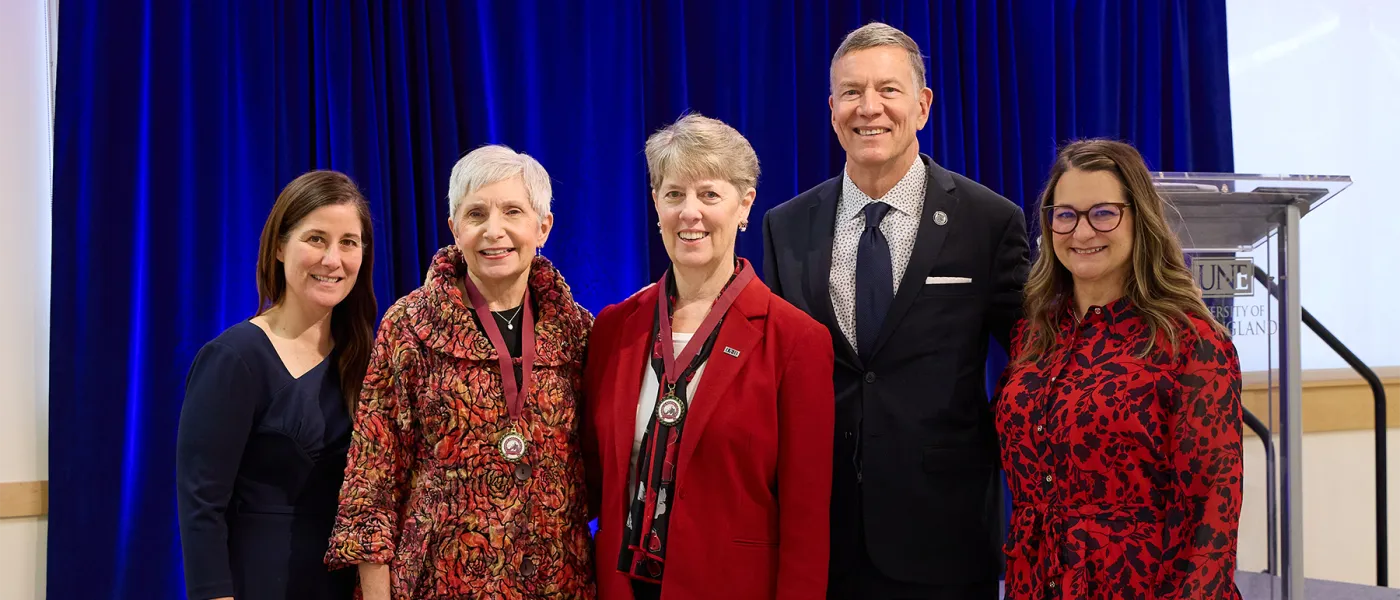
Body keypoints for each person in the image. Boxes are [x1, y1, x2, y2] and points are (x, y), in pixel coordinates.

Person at [762, 22, 1029, 599]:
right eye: (852, 92)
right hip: (820, 535)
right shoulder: (785, 227)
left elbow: (1034, 361)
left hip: (944, 535)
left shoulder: (989, 222)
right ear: (832, 110)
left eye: (888, 89)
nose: (869, 108)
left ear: (923, 105)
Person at [582, 113, 835, 600]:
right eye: (674, 194)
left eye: (709, 195)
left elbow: (806, 523)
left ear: (745, 205)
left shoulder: (796, 341)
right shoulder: (614, 328)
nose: (689, 213)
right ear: (655, 204)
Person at [324, 145, 595, 599]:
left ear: (542, 226)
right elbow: (371, 479)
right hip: (438, 580)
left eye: (513, 211)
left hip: (556, 582)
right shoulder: (410, 324)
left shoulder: (578, 332)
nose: (495, 231)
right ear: (454, 228)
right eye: (475, 214)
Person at [995, 139, 1243, 599]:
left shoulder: (1189, 343)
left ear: (1139, 220)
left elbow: (1209, 512)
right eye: (1065, 214)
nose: (1082, 232)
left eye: (1103, 213)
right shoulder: (1033, 335)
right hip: (1035, 583)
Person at [176, 170, 376, 600]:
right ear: (281, 246)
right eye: (316, 239)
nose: (332, 260)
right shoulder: (234, 358)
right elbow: (201, 510)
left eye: (348, 242)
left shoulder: (368, 360)